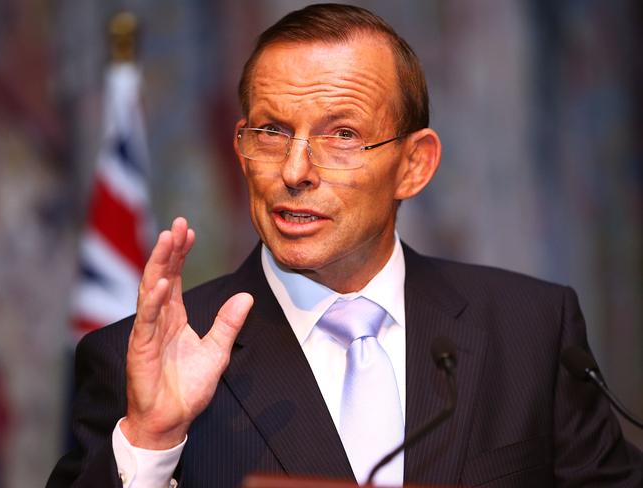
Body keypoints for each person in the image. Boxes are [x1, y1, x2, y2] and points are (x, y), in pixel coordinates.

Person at [48, 4, 642, 487]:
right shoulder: (140, 360)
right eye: (273, 132)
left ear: (414, 165)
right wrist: (151, 441)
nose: (296, 170)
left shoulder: (530, 329)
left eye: (343, 134)